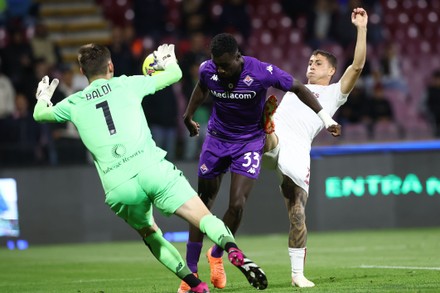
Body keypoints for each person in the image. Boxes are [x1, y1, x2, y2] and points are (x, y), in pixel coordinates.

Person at [32, 43, 268, 293]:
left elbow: (40, 115)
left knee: (151, 235)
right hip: (152, 168)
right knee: (204, 218)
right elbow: (175, 75)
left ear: (82, 71)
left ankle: (195, 285)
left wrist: (43, 98)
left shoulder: (73, 103)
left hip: (119, 186)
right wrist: (168, 61)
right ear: (110, 66)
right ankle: (231, 249)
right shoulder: (128, 83)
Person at [180, 32, 341, 292]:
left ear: (238, 57)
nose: (220, 70)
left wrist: (326, 119)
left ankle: (217, 256)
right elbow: (202, 87)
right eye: (216, 64)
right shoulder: (209, 70)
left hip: (249, 142)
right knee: (203, 203)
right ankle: (191, 273)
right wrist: (188, 116)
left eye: (225, 65)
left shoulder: (262, 71)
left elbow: (298, 87)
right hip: (217, 141)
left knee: (237, 205)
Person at [262, 7, 368, 288]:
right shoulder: (295, 87)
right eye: (310, 61)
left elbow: (357, 66)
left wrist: (361, 28)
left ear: (332, 71)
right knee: (269, 138)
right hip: (277, 139)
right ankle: (264, 128)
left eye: (318, 63)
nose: (311, 65)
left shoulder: (334, 93)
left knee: (297, 212)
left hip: (298, 151)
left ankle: (297, 274)